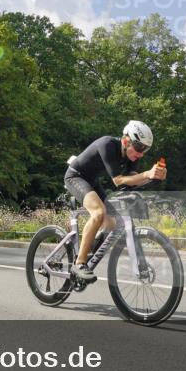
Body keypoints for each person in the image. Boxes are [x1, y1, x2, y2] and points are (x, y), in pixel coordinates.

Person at [64, 121, 166, 282]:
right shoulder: (108, 144)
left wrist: (154, 177)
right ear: (126, 140)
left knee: (111, 223)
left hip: (92, 181)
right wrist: (147, 174)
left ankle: (88, 251)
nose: (141, 153)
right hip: (75, 177)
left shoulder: (132, 155)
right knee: (98, 213)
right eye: (139, 147)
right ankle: (80, 263)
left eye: (145, 149)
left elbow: (131, 180)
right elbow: (118, 181)